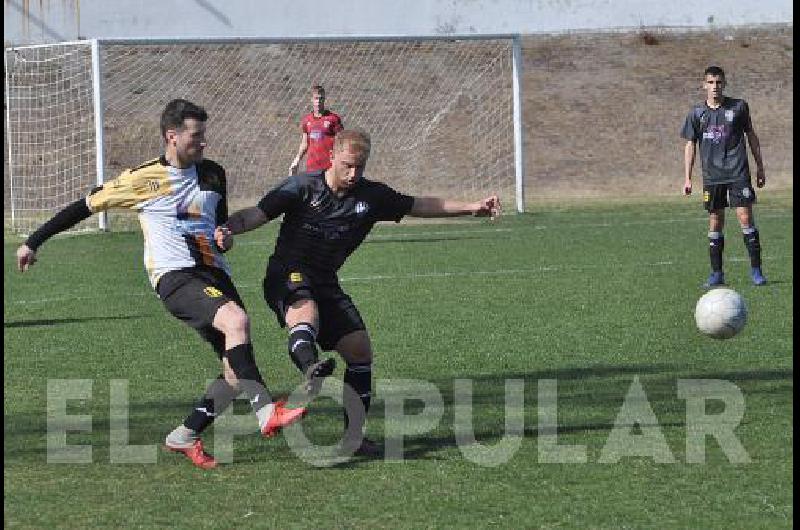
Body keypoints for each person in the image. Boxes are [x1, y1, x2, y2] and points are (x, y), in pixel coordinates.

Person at [15, 99, 307, 469]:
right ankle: (266, 412)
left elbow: (216, 224)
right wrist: (33, 241)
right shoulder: (143, 179)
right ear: (172, 136)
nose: (203, 143)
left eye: (204, 135)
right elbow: (85, 206)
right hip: (175, 276)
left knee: (234, 371)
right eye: (196, 136)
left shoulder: (214, 173)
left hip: (215, 274)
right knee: (236, 322)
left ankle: (184, 435)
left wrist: (224, 237)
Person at [220, 129, 500, 457]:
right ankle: (310, 367)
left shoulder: (372, 197)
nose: (354, 174)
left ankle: (353, 437)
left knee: (359, 351)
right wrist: (229, 228)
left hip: (325, 280)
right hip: (286, 274)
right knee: (305, 309)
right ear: (332, 157)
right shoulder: (301, 187)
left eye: (360, 167)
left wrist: (472, 208)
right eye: (348, 166)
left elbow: (418, 205)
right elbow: (256, 213)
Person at [681, 65, 767, 287]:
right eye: (710, 82)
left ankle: (756, 271)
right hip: (712, 176)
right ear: (704, 85)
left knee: (745, 218)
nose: (715, 87)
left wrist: (760, 167)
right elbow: (690, 145)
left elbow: (751, 136)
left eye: (718, 82)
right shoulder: (697, 114)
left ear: (724, 84)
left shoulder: (739, 107)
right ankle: (717, 274)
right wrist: (688, 177)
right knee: (715, 221)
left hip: (738, 172)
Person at [289, 85, 344, 175]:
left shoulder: (333, 119)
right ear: (312, 99)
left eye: (321, 98)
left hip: (329, 168)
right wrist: (297, 159)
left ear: (324, 99)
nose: (318, 101)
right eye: (316, 98)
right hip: (312, 168)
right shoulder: (307, 120)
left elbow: (341, 141)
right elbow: (305, 143)